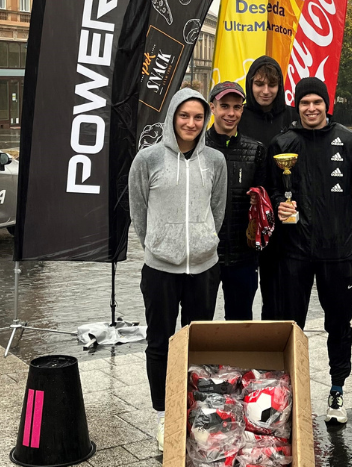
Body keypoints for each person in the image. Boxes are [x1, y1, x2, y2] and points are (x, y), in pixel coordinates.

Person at [267, 77, 352, 425]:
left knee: (339, 324)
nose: (311, 108)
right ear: (296, 106)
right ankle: (288, 391)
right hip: (295, 253)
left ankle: (336, 390)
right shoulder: (282, 143)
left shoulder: (348, 141)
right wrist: (278, 205)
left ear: (326, 104)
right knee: (291, 325)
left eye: (317, 102)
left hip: (338, 252)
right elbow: (271, 194)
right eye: (305, 103)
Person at [128, 88, 228, 451]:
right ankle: (163, 415)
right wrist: (158, 244)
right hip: (160, 269)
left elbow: (217, 210)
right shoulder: (148, 159)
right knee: (159, 344)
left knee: (198, 344)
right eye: (184, 115)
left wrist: (203, 240)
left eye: (198, 117)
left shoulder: (215, 160)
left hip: (203, 268)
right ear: (172, 117)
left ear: (206, 120)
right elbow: (138, 212)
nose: (191, 123)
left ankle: (198, 414)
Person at [237, 56, 297, 320]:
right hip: (246, 218)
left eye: (272, 85)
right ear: (250, 84)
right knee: (241, 294)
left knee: (278, 294)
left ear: (280, 86)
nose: (265, 91)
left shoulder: (293, 116)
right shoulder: (239, 116)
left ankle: (273, 349)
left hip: (284, 217)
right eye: (259, 84)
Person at [205, 81, 267, 320]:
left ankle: (236, 360)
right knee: (199, 321)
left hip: (243, 256)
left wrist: (260, 201)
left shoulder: (256, 150)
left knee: (241, 323)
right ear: (212, 107)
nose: (230, 113)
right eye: (224, 106)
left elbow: (266, 201)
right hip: (205, 255)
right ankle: (201, 360)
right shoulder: (198, 148)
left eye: (237, 107)